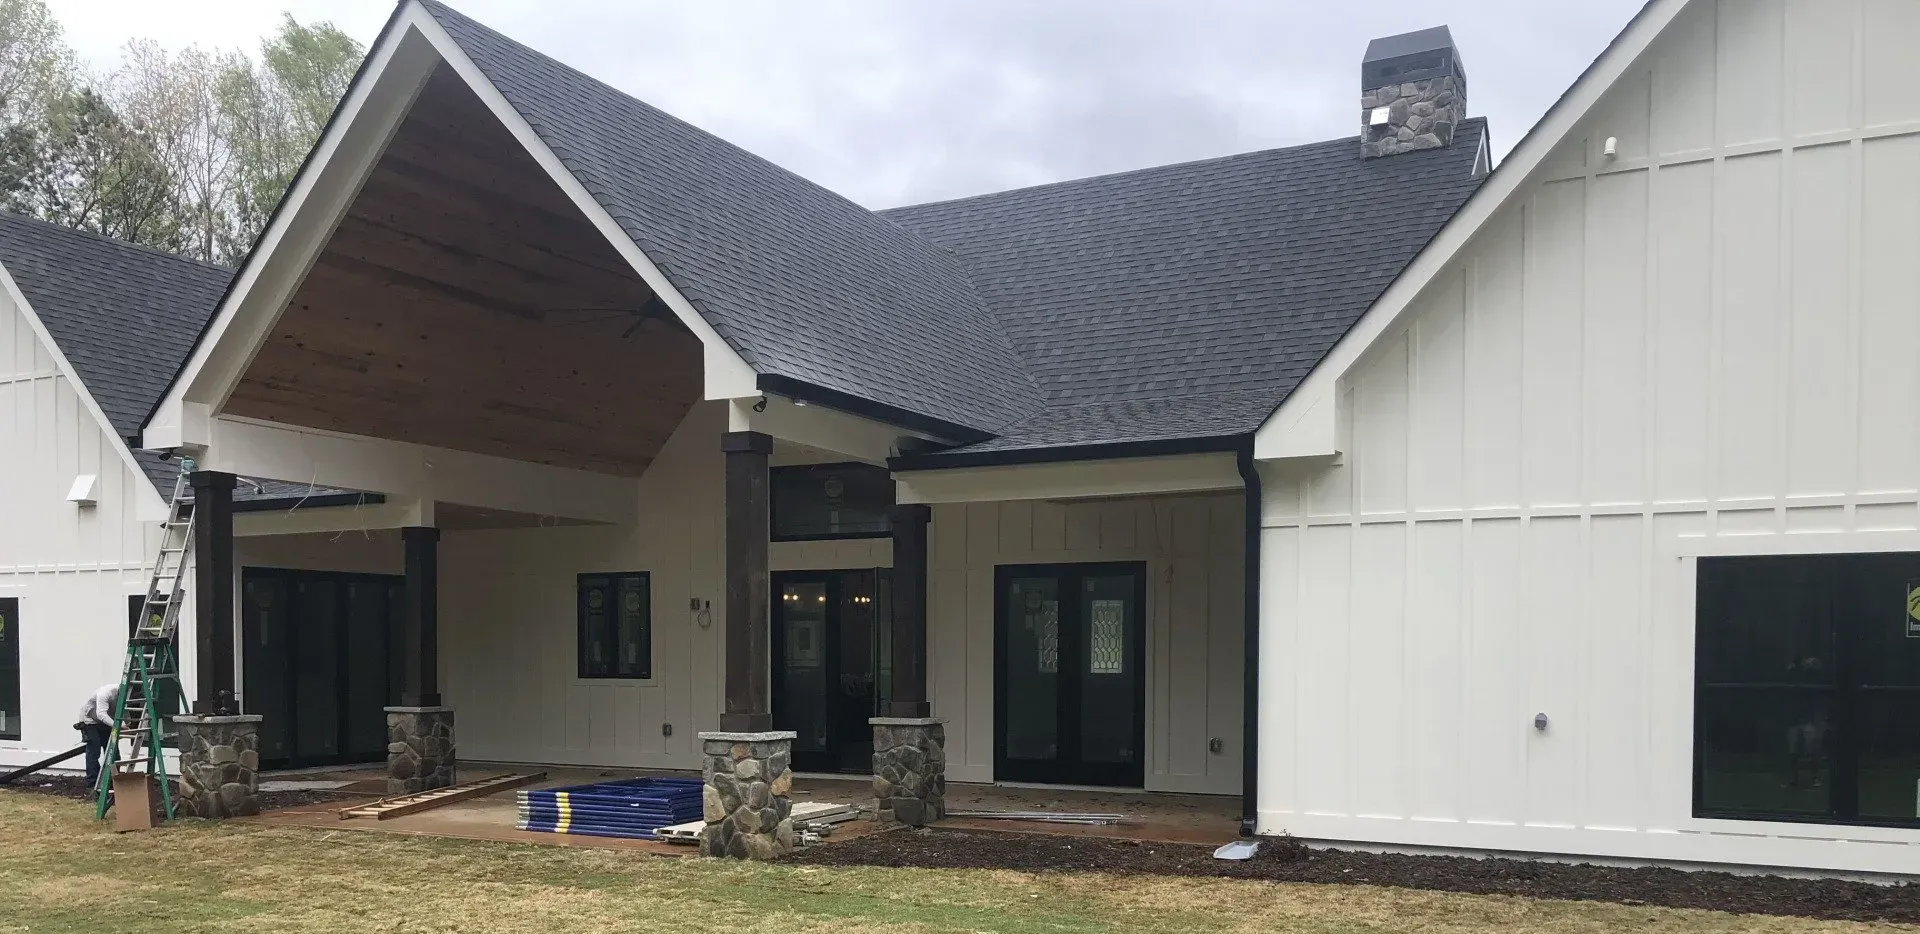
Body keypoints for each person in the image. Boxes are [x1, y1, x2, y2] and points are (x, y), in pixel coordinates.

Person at [74, 682, 119, 788]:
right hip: (90, 720)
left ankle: (113, 780)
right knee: (94, 749)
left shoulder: (128, 695)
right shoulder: (105, 693)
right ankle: (92, 782)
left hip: (107, 722)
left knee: (114, 750)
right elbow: (101, 714)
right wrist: (118, 726)